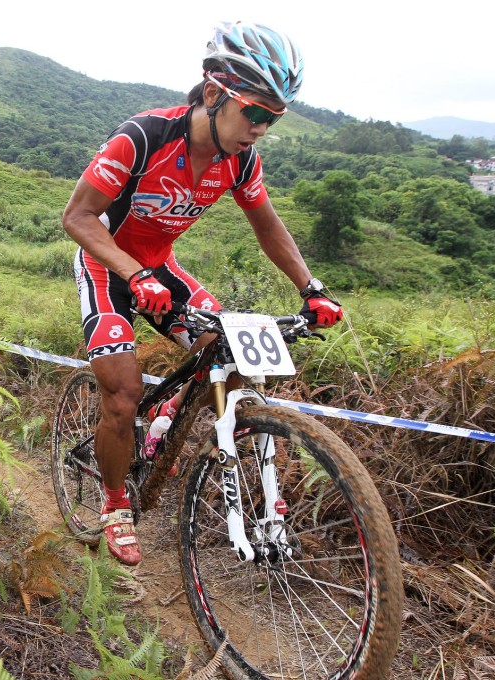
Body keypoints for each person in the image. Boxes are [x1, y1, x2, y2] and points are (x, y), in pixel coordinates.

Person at [61, 21, 344, 566]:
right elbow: (78, 217)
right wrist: (133, 275)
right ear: (213, 93)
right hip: (107, 265)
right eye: (255, 112)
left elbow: (268, 225)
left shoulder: (239, 160)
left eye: (273, 117)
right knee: (120, 395)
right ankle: (116, 502)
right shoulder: (143, 137)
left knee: (233, 353)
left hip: (162, 267)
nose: (260, 127)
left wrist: (311, 287)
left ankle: (164, 414)